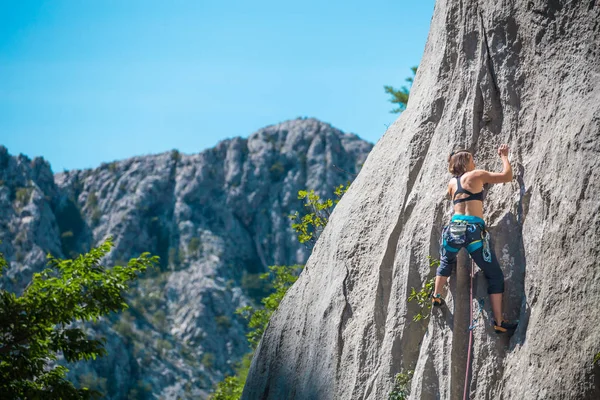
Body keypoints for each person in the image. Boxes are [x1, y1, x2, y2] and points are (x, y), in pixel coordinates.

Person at [431, 144, 518, 334]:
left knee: (446, 259)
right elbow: (507, 176)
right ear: (465, 161)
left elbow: (452, 196)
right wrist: (504, 156)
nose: (474, 161)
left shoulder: (452, 183)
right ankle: (499, 322)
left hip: (453, 229)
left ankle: (437, 295)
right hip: (472, 231)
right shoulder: (477, 174)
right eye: (471, 158)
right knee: (494, 275)